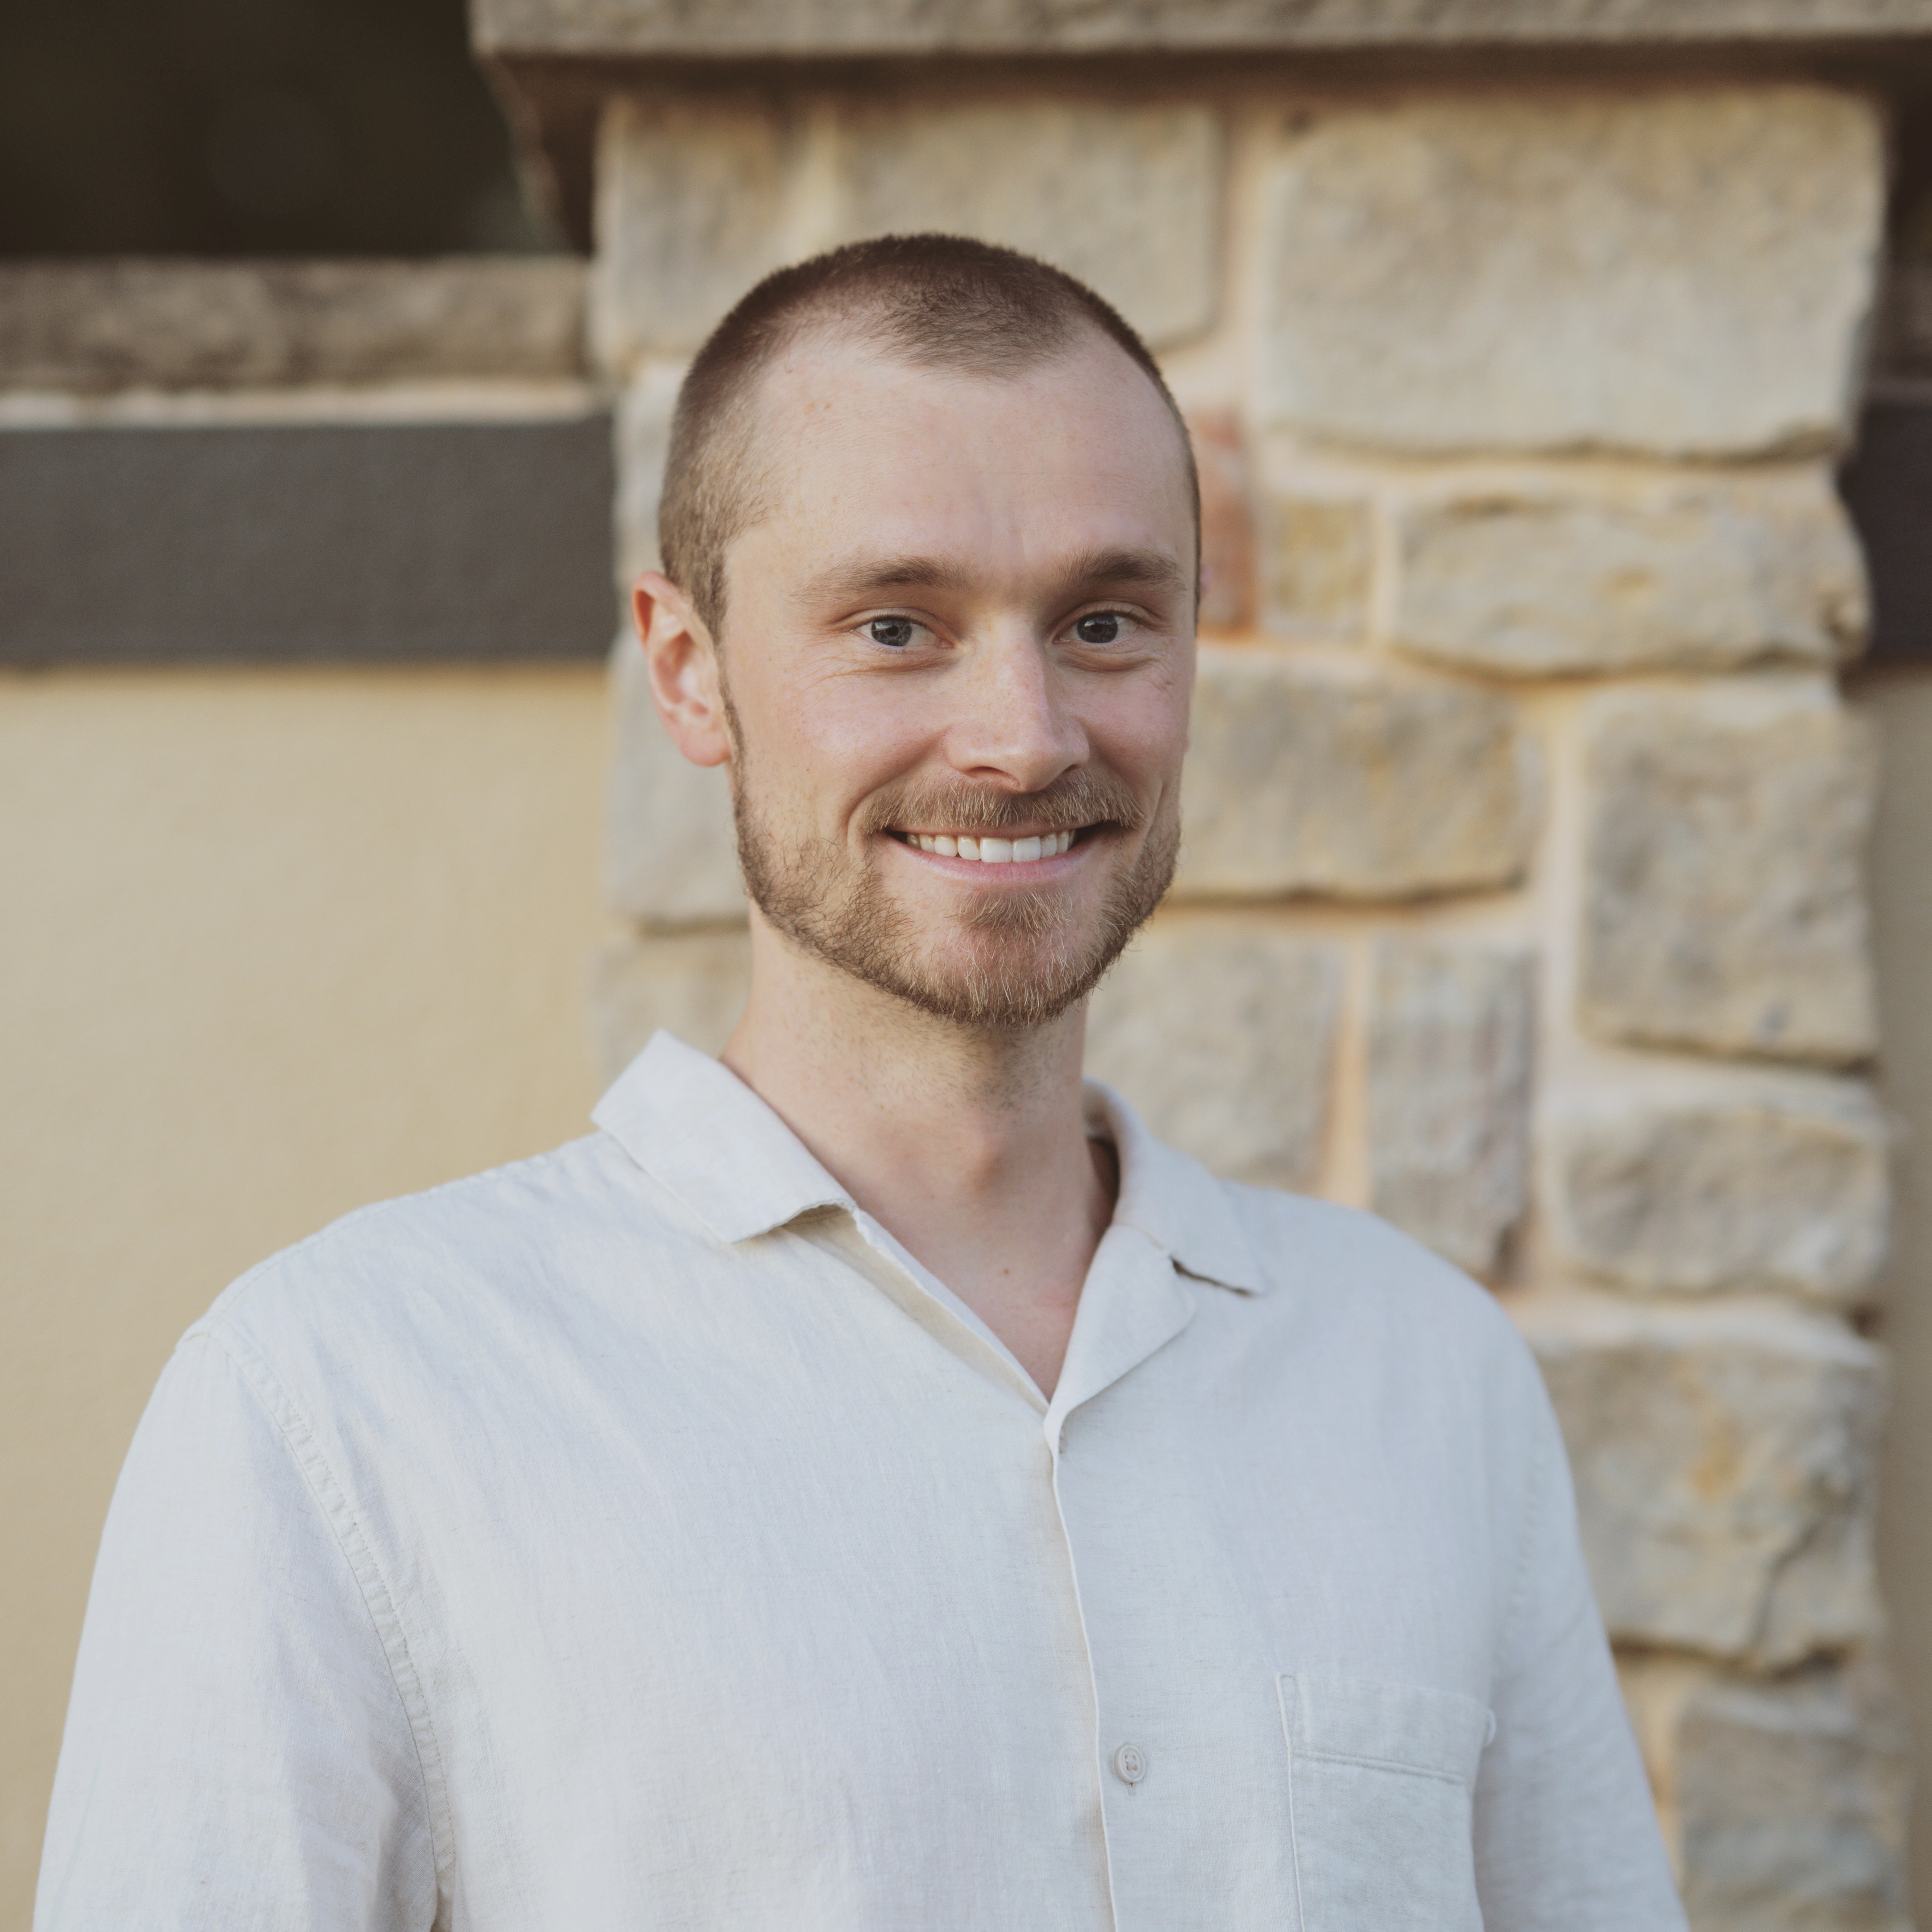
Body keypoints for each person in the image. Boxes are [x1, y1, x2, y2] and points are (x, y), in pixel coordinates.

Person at [38, 235, 1686, 1931]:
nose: (1024, 734)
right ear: (690, 671)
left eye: (1105, 620)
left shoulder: (1426, 1374)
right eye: (896, 625)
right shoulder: (343, 1400)